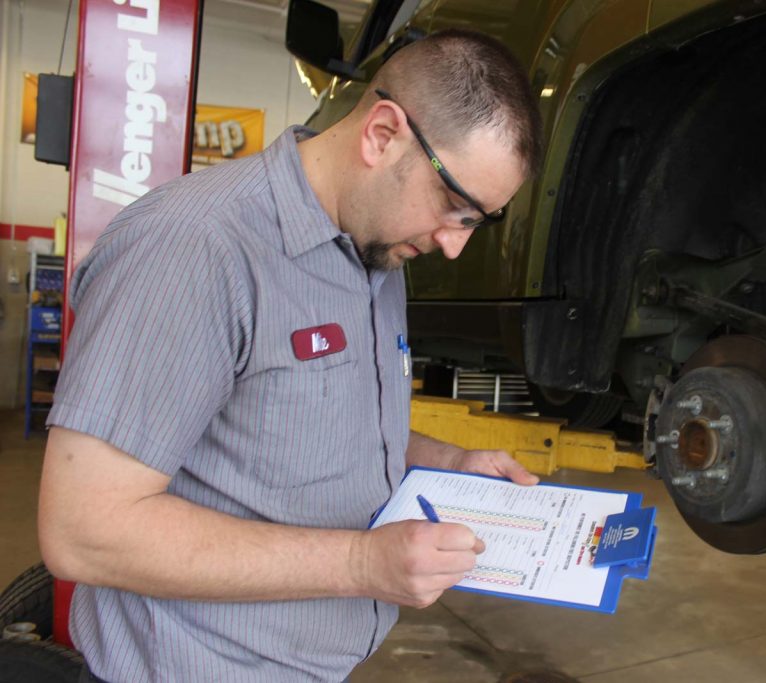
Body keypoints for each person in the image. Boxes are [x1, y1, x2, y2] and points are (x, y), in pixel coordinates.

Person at [37, 29, 543, 682]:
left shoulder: (376, 252)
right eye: (454, 207)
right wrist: (362, 565)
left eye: (479, 222)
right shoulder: (197, 247)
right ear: (382, 133)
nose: (454, 246)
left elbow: (320, 419)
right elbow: (85, 528)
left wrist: (451, 463)